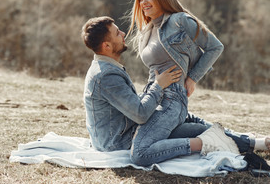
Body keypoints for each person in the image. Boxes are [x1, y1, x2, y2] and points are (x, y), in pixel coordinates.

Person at [81, 16, 269, 166]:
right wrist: (158, 85)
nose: (122, 33)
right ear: (106, 46)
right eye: (116, 33)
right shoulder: (106, 76)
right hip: (120, 141)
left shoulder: (106, 67)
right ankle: (230, 142)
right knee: (195, 131)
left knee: (193, 123)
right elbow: (139, 114)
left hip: (123, 131)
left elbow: (128, 107)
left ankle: (254, 142)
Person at [125, 0, 227, 165]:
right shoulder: (147, 31)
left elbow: (215, 47)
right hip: (152, 97)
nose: (144, 3)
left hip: (172, 99)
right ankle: (256, 142)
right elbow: (154, 70)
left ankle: (207, 144)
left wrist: (192, 78)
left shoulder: (179, 20)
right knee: (203, 130)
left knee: (140, 154)